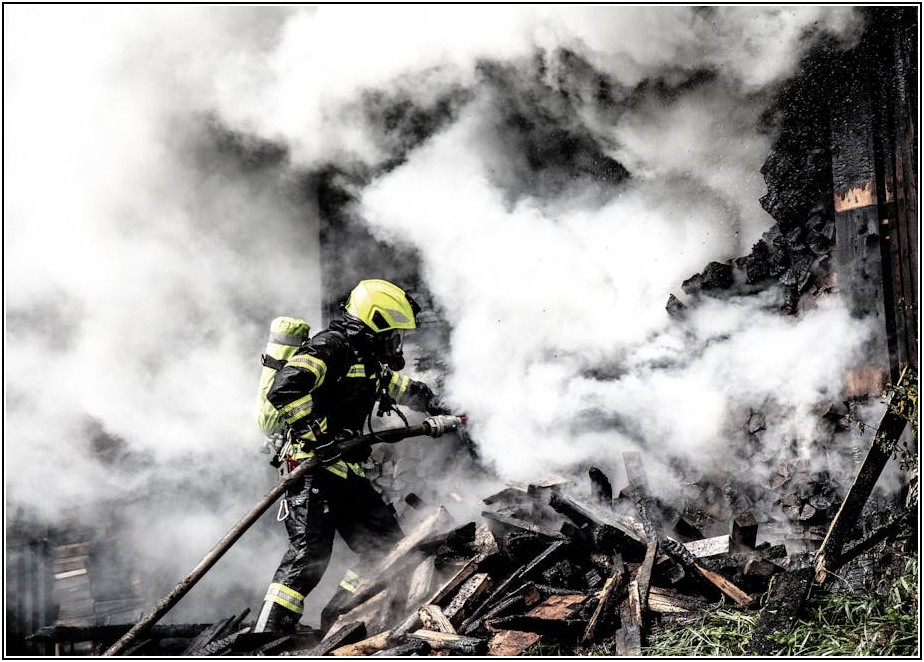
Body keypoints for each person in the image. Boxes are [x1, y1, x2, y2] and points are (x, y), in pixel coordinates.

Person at [254, 279, 444, 634]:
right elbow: (286, 388)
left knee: (386, 547)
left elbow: (391, 386)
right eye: (394, 334)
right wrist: (318, 436)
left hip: (344, 470)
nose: (396, 343)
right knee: (309, 557)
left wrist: (432, 400)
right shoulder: (331, 347)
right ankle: (264, 638)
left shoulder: (366, 358)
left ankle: (339, 621)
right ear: (375, 324)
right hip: (311, 468)